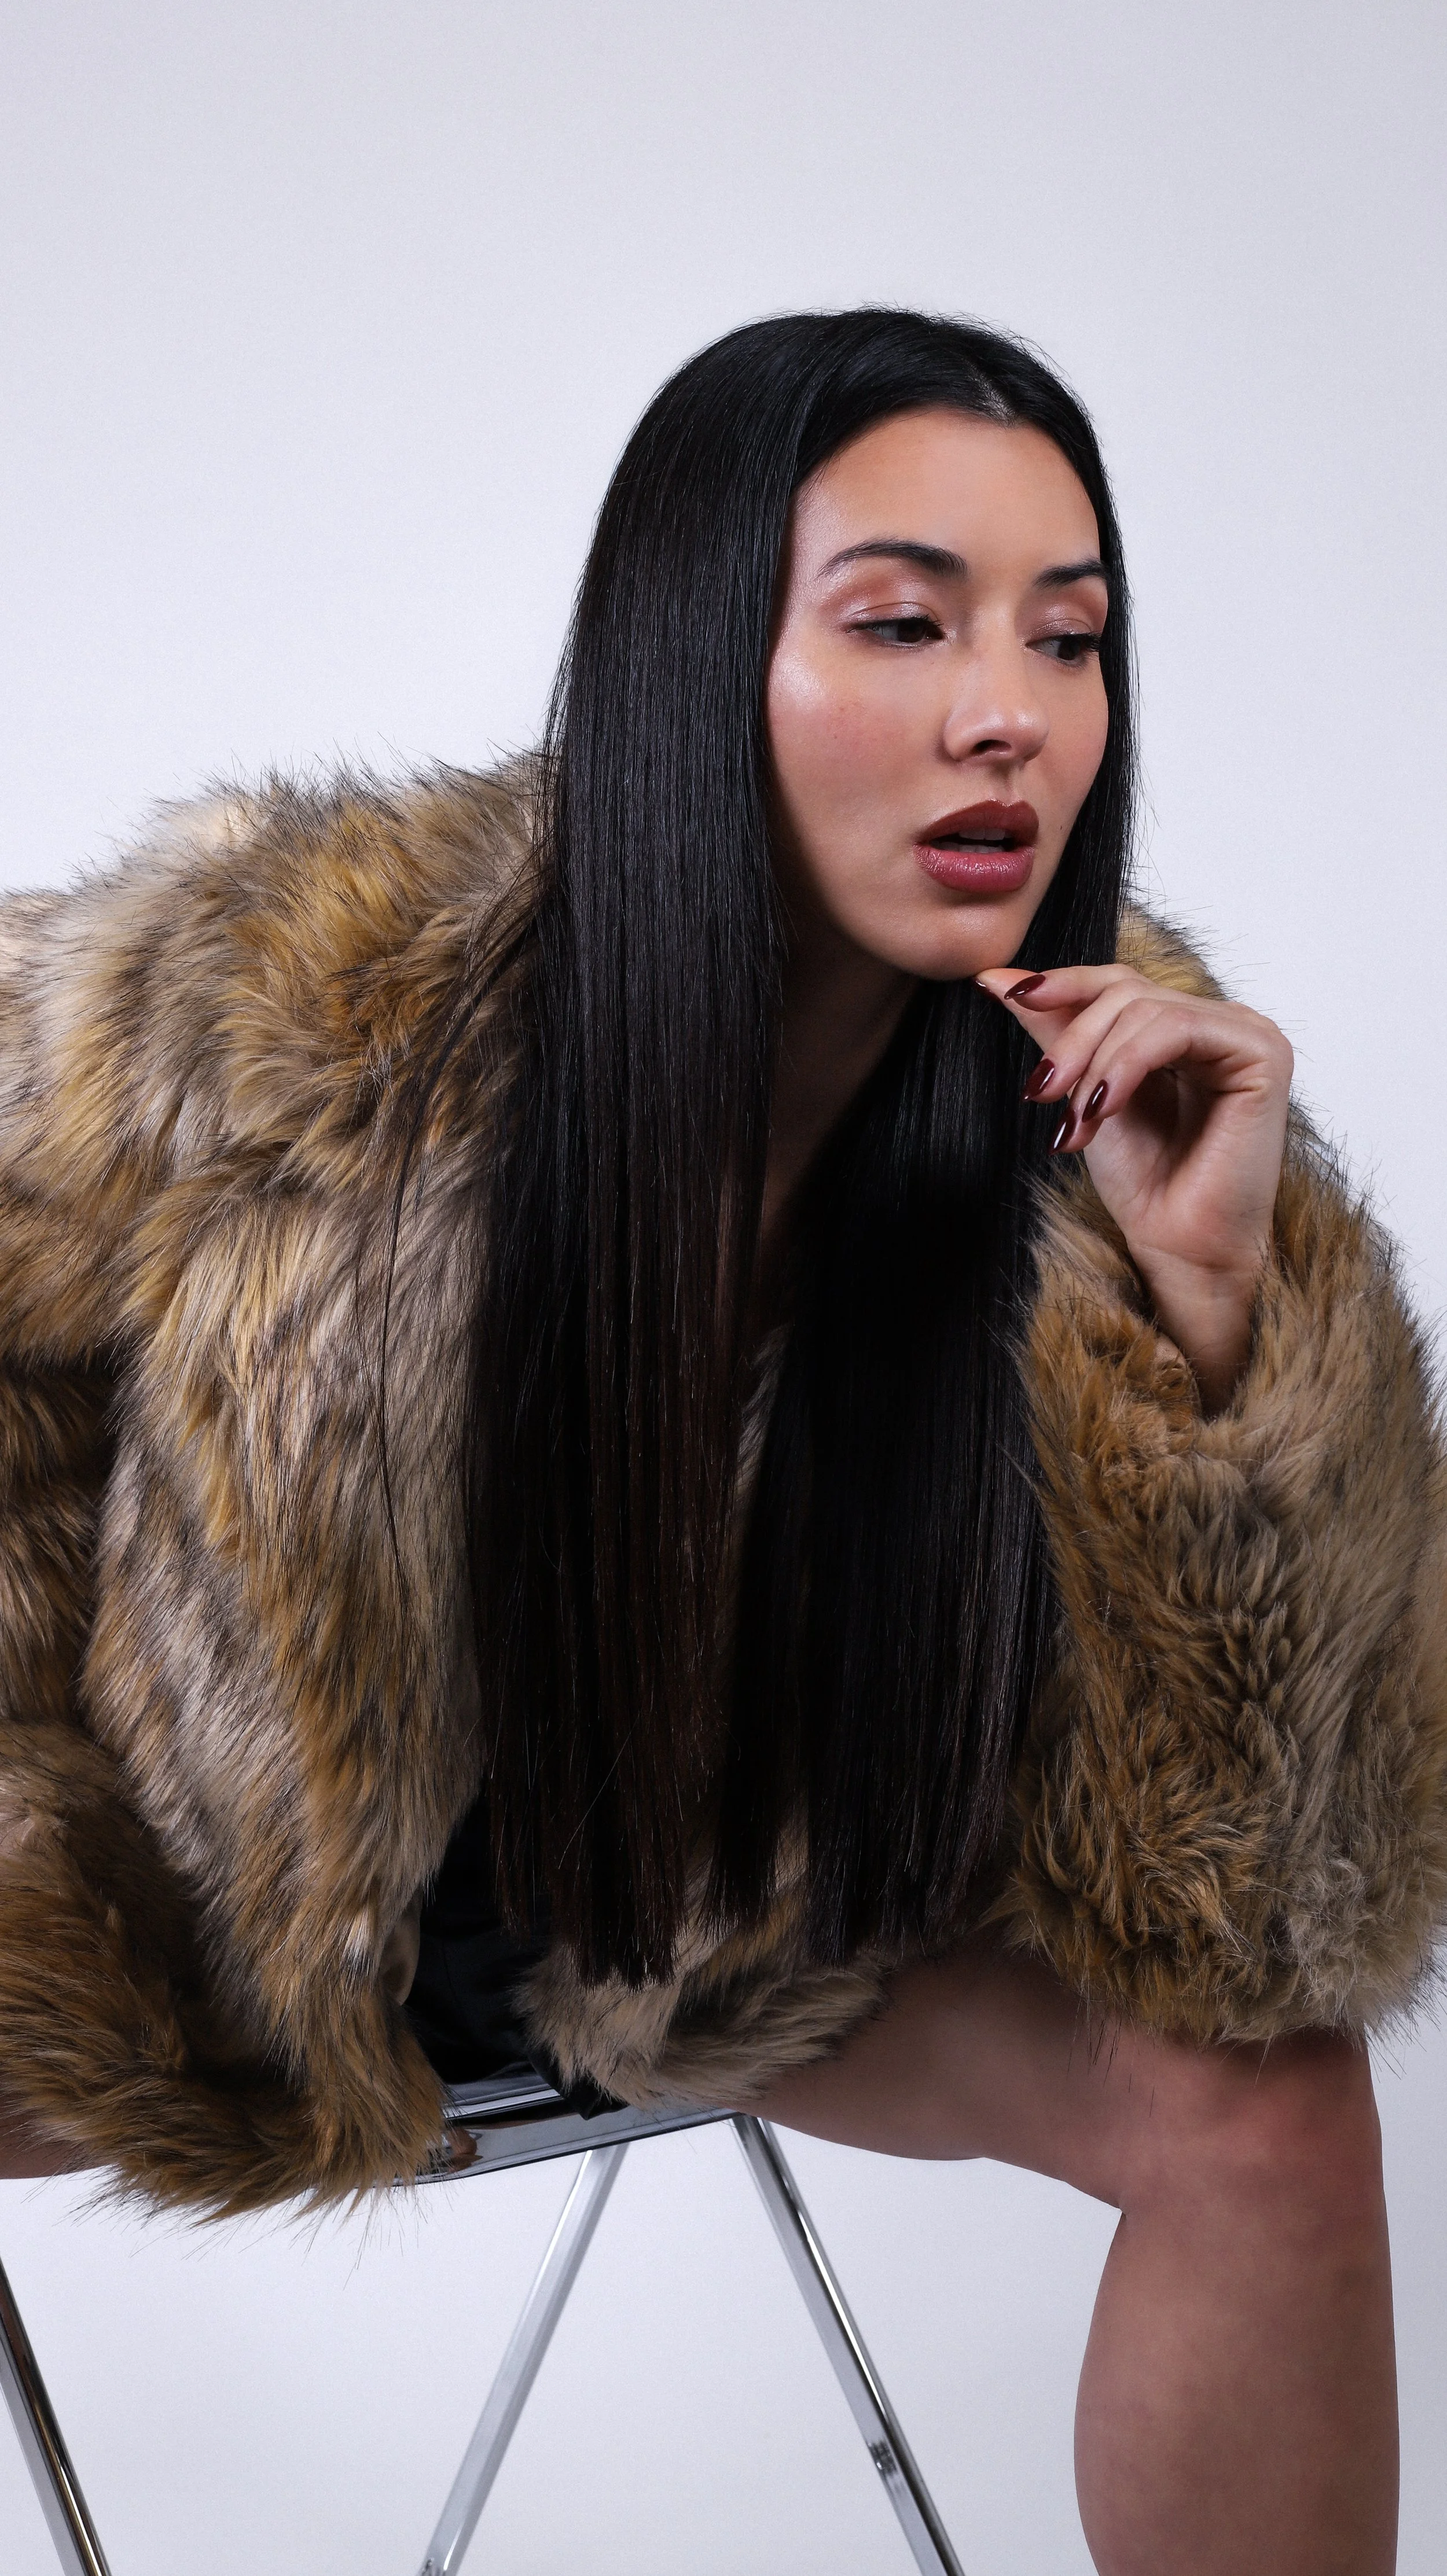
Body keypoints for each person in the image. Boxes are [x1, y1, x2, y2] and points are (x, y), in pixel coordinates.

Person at [0, 311, 1442, 2573]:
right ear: (698, 661)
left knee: (1260, 2108)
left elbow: (1276, 1914)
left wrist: (1215, 1323)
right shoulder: (300, 999)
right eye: (903, 620)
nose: (1006, 714)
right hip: (211, 1918)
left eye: (1068, 643)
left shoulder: (1131, 1118)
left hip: (707, 1935)